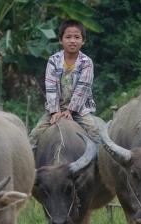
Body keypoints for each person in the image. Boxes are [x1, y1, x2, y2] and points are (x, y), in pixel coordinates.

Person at [29, 19, 99, 150]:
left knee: (95, 133)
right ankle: (28, 166)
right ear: (61, 40)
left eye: (77, 37)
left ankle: (99, 166)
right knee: (34, 134)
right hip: (55, 108)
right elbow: (51, 88)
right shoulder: (53, 61)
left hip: (80, 110)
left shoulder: (86, 62)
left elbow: (83, 88)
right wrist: (55, 110)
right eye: (68, 37)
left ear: (83, 41)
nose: (72, 40)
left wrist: (71, 110)